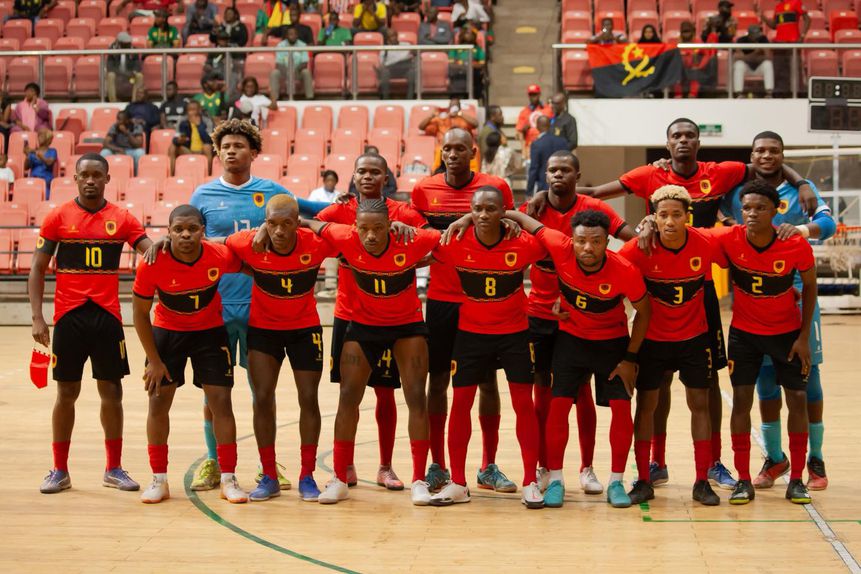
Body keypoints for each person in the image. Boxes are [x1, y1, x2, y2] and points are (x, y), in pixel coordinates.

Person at [529, 117, 817, 490]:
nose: (683, 141)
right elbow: (599, 213)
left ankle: (711, 464)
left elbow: (766, 168)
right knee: (654, 388)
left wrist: (802, 184)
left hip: (700, 296)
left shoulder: (719, 182)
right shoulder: (649, 183)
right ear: (666, 145)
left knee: (708, 384)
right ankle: (654, 464)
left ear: (699, 142)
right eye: (676, 136)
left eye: (689, 136)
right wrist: (543, 193)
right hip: (655, 303)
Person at [182, 119, 327, 492]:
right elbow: (188, 242)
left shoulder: (271, 191)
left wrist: (345, 208)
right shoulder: (201, 196)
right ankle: (215, 462)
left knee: (262, 392)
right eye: (226, 146)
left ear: (253, 153)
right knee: (214, 392)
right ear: (217, 152)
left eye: (239, 146)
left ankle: (269, 464)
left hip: (260, 308)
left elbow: (310, 210)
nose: (232, 151)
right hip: (214, 306)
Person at [502, 208, 651, 508]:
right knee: (559, 408)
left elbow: (645, 312)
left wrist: (630, 358)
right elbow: (529, 221)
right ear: (571, 240)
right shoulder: (559, 246)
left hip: (612, 346)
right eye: (581, 241)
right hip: (571, 342)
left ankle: (616, 482)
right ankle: (556, 479)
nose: (587, 248)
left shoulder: (624, 270)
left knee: (622, 410)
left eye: (596, 241)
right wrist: (488, 215)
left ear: (607, 241)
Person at [302, 200, 439, 505]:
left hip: (407, 326)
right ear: (354, 227)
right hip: (363, 326)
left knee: (417, 397)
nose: (371, 235)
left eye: (378, 228)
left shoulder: (411, 239)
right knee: (348, 397)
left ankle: (418, 480)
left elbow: (445, 239)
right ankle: (339, 478)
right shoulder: (345, 236)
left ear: (390, 226)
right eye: (363, 228)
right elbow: (309, 223)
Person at [30, 153, 152, 495]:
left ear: (107, 179)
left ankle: (113, 468)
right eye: (85, 175)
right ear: (76, 178)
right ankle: (59, 470)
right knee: (66, 392)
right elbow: (37, 269)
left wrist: (171, 250)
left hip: (107, 317)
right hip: (68, 317)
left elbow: (149, 251)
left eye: (97, 175)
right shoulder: (57, 217)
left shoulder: (122, 218)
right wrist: (38, 317)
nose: (90, 181)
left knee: (111, 392)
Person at [720, 131, 836, 491]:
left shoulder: (803, 189)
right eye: (760, 150)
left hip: (797, 294)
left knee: (807, 381)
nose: (767, 156)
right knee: (764, 384)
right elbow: (719, 213)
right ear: (750, 155)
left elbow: (829, 226)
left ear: (783, 154)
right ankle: (774, 457)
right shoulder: (739, 190)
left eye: (774, 151)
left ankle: (814, 457)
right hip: (754, 300)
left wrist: (795, 228)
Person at [521, 151, 634, 498]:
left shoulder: (593, 208)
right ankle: (546, 466)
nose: (557, 175)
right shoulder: (534, 209)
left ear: (577, 174)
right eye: (552, 170)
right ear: (544, 174)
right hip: (541, 314)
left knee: (583, 393)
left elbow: (629, 238)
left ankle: (586, 468)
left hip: (585, 317)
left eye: (565, 170)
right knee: (546, 394)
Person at [410, 128, 516, 493]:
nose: (453, 154)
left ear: (473, 152)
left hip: (483, 300)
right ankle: (437, 463)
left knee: (488, 382)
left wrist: (467, 219)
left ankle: (488, 465)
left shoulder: (496, 186)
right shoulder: (424, 189)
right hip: (441, 300)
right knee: (437, 381)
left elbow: (511, 228)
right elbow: (420, 236)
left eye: (461, 149)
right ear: (442, 152)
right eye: (448, 148)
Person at [428, 187, 547, 509]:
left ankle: (529, 482)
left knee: (524, 403)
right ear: (470, 210)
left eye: (491, 209)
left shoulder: (523, 244)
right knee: (461, 403)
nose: (483, 215)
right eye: (476, 209)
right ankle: (458, 484)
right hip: (470, 334)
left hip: (515, 334)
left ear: (503, 211)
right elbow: (416, 251)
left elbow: (558, 252)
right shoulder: (454, 241)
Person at [314, 155, 427, 490]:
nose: (367, 176)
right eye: (361, 170)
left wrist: (408, 234)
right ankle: (344, 466)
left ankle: (386, 466)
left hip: (394, 316)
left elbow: (428, 240)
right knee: (349, 394)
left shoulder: (404, 213)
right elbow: (312, 229)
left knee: (386, 394)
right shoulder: (338, 210)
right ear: (353, 175)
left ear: (386, 175)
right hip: (350, 314)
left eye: (374, 171)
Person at [219, 195, 337, 501]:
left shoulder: (315, 243)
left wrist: (314, 222)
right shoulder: (248, 242)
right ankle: (269, 475)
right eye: (272, 224)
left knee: (309, 398)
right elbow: (218, 241)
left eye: (287, 223)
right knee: (261, 397)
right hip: (264, 331)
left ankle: (307, 475)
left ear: (297, 223)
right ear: (265, 223)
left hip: (305, 329)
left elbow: (348, 232)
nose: (280, 231)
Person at [707, 180, 817, 506]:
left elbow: (810, 287)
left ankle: (796, 478)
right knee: (741, 403)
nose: (752, 213)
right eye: (747, 208)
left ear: (776, 211)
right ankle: (743, 479)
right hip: (744, 335)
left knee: (797, 400)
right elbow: (691, 239)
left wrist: (804, 337)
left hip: (787, 334)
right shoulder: (730, 238)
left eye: (760, 208)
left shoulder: (794, 244)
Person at [133, 204, 248, 504]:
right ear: (168, 232)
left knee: (221, 402)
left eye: (192, 229)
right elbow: (139, 314)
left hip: (210, 333)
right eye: (178, 229)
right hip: (167, 334)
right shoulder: (152, 262)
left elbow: (249, 261)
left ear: (202, 231)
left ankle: (228, 478)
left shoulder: (217, 255)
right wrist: (154, 361)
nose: (185, 234)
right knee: (158, 403)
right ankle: (158, 479)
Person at [619, 186, 721, 506]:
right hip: (652, 340)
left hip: (694, 339)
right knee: (646, 406)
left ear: (687, 217)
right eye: (663, 215)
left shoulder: (706, 242)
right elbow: (605, 274)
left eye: (677, 214)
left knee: (699, 405)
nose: (670, 221)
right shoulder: (638, 248)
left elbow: (747, 240)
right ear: (654, 218)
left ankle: (702, 481)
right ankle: (644, 478)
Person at [762, 0, 809, 97]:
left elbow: (807, 19)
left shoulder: (796, 2)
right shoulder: (778, 7)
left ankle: (797, 93)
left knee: (795, 68)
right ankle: (780, 93)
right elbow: (774, 25)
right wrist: (763, 18)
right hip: (780, 43)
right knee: (779, 69)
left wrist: (802, 35)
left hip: (793, 43)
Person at [526, 115, 569, 196]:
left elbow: (534, 169)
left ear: (537, 126)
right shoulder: (562, 141)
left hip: (544, 186)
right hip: (563, 184)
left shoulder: (536, 144)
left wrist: (529, 191)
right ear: (550, 125)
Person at [168, 100, 214, 174]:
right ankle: (171, 175)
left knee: (207, 147)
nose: (191, 112)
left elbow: (209, 140)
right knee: (172, 147)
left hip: (202, 150)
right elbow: (174, 139)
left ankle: (208, 174)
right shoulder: (182, 121)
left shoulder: (207, 121)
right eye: (189, 110)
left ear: (199, 110)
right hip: (188, 150)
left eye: (193, 110)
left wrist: (199, 126)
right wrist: (178, 140)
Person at [270, 27, 314, 101]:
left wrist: (294, 71)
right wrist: (288, 72)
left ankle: (310, 97)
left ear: (297, 35)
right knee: (275, 73)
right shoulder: (280, 45)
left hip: (298, 71)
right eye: (290, 34)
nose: (293, 36)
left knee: (306, 72)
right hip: (285, 70)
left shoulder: (302, 45)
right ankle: (275, 99)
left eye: (295, 34)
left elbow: (304, 63)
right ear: (287, 36)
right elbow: (278, 64)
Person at [675, 21, 715, 99]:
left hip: (695, 69)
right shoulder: (677, 43)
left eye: (688, 31)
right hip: (681, 69)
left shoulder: (698, 42)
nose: (686, 34)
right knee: (676, 74)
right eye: (684, 32)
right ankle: (678, 95)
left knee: (695, 75)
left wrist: (699, 66)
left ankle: (692, 95)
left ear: (692, 32)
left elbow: (707, 55)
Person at [734, 24, 774, 98]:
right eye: (754, 35)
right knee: (738, 64)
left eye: (757, 35)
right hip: (747, 67)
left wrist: (750, 57)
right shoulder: (741, 40)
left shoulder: (763, 39)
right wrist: (756, 52)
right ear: (749, 35)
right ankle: (738, 93)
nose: (756, 38)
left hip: (759, 67)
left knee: (768, 64)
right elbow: (737, 57)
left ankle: (769, 92)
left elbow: (769, 57)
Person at [377, 27, 416, 99]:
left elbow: (413, 56)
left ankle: (410, 98)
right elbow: (382, 63)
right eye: (391, 36)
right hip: (391, 70)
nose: (394, 38)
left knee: (412, 72)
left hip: (405, 68)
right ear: (387, 39)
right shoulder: (385, 49)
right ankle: (386, 99)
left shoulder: (406, 45)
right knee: (384, 73)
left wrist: (414, 53)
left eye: (395, 35)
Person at [516, 85, 553, 158]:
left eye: (535, 94)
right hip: (530, 147)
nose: (533, 97)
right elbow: (519, 132)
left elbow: (553, 125)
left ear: (539, 94)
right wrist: (523, 149)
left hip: (546, 145)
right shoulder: (524, 112)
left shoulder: (547, 109)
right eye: (531, 94)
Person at [448, 28, 485, 99]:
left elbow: (481, 64)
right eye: (467, 33)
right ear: (461, 35)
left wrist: (471, 65)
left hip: (473, 73)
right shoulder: (455, 49)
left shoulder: (478, 49)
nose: (469, 35)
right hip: (459, 73)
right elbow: (451, 64)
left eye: (471, 33)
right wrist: (464, 66)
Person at [106, 32, 143, 103]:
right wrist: (118, 73)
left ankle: (135, 101)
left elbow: (137, 64)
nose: (128, 45)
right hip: (117, 74)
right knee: (110, 75)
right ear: (119, 43)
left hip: (130, 75)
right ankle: (113, 101)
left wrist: (133, 72)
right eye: (125, 43)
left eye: (128, 43)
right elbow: (110, 66)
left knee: (139, 76)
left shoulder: (133, 50)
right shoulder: (112, 50)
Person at [24, 128, 57, 192]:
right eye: (39, 135)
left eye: (42, 135)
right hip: (34, 180)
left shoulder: (52, 151)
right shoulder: (33, 152)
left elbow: (49, 162)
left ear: (48, 139)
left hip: (46, 181)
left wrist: (40, 156)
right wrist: (27, 155)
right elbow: (26, 167)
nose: (39, 137)